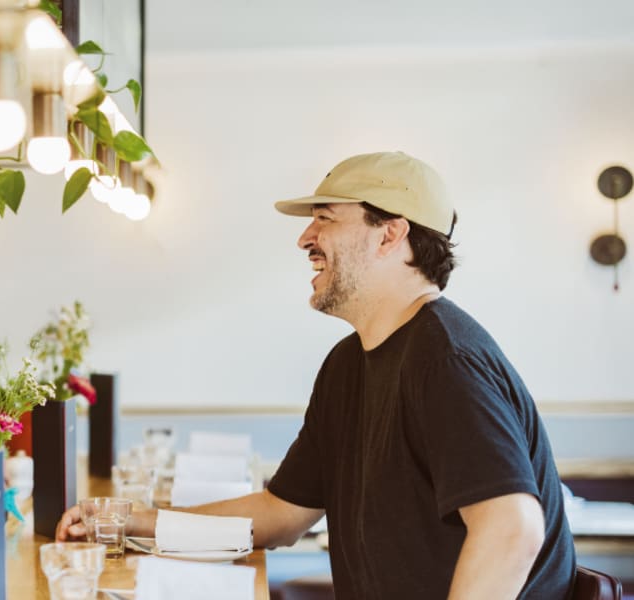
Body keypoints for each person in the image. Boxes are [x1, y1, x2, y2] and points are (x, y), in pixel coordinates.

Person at [57, 152, 575, 598]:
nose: (306, 237)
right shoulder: (347, 366)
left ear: (390, 234)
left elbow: (512, 529)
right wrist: (133, 518)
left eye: (325, 218)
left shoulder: (444, 359)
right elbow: (283, 513)